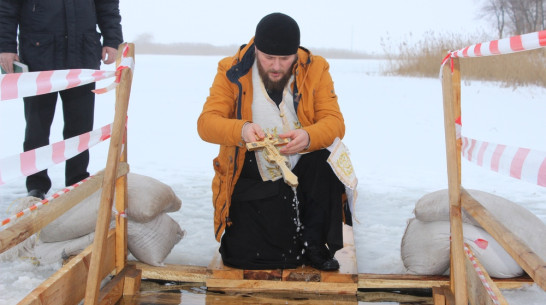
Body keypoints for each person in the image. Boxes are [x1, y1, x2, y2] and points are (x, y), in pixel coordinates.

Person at [197, 12, 352, 271]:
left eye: (285, 59)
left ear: (296, 54)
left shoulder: (316, 68)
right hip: (254, 172)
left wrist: (308, 136)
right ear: (256, 49)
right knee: (247, 257)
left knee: (323, 160)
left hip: (304, 169)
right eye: (269, 58)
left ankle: (314, 242)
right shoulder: (231, 70)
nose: (277, 66)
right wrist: (242, 130)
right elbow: (206, 123)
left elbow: (335, 122)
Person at [0, 0, 123, 199]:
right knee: (37, 128)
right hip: (38, 55)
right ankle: (36, 186)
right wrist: (5, 46)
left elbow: (107, 5)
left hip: (82, 55)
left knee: (80, 126)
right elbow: (7, 7)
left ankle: (77, 181)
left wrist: (112, 39)